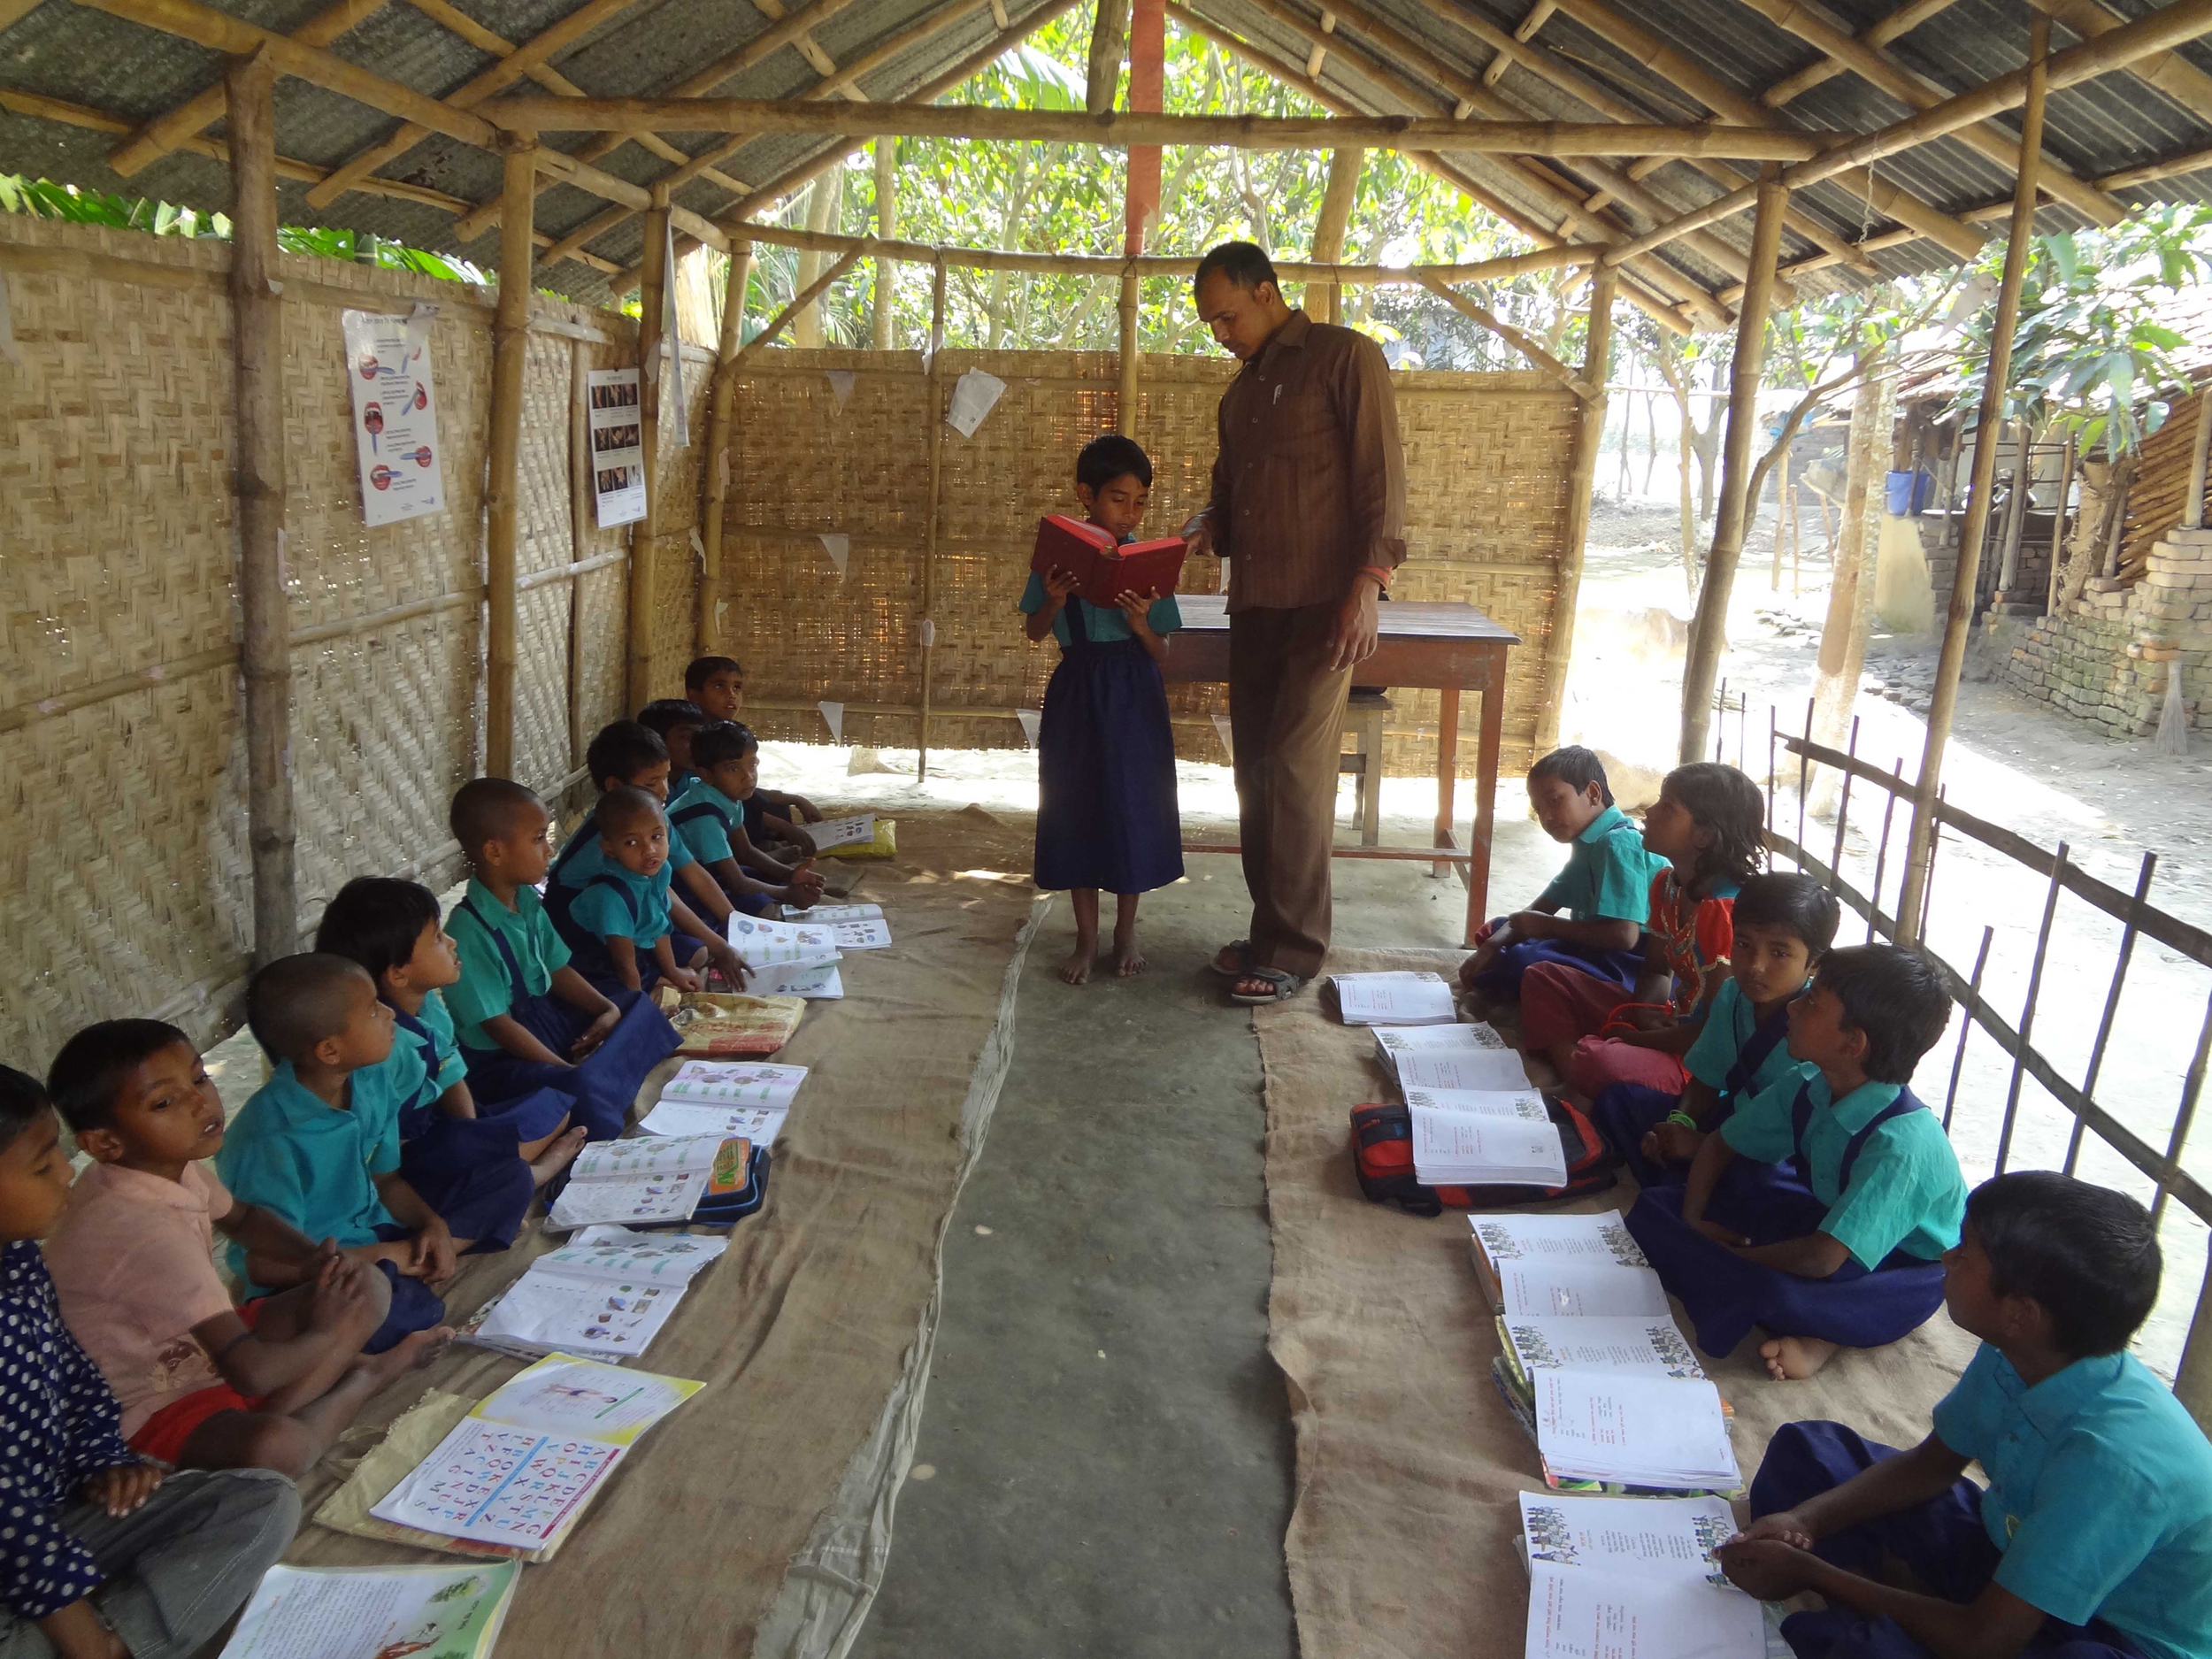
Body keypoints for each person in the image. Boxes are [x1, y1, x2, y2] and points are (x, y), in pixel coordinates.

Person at [1719, 1171, 2212, 1659]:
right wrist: (1802, 1520)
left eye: (1965, 1253)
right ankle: (1902, 1606)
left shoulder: (2113, 1464)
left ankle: (1891, 1609)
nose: (1945, 1257)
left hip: (2108, 1631)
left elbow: (1983, 1641)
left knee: (1872, 1651)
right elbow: (1932, 1465)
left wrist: (1813, 1574)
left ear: (2020, 1314)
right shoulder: (2016, 1352)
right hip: (2010, 1548)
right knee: (1806, 1453)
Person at [42, 1020, 448, 1479]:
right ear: (104, 1143)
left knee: (366, 1284)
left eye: (198, 1078)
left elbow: (244, 1220)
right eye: (164, 1102)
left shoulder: (151, 1171)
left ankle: (286, 1406)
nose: (200, 1102)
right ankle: (364, 1379)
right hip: (148, 1401)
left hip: (206, 1352)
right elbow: (250, 1371)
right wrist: (324, 1331)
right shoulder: (143, 1232)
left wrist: (315, 1260)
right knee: (278, 1450)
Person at [0, 1064, 300, 1659]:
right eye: (41, 1166)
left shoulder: (19, 1263)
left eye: (57, 1153)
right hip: (18, 1543)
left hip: (52, 1515)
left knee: (263, 1500)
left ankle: (121, 1641)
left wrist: (104, 1459)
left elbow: (77, 1377)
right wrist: (73, 1621)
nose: (66, 1171)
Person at [1184, 241, 1407, 1007]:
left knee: (1292, 768)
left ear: (1269, 292)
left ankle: (1296, 949)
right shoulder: (1240, 394)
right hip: (1257, 604)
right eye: (1209, 322)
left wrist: (1368, 586)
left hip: (1326, 605)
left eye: (1228, 315)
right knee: (1255, 772)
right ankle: (1267, 929)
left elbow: (1382, 481)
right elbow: (1228, 495)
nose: (1220, 333)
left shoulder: (1348, 359)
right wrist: (1208, 526)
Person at [1627, 944, 1966, 1379]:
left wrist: (1734, 1255)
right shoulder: (1807, 1082)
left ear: (1852, 1043)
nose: (1792, 1007)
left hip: (1902, 1265)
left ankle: (1827, 1337)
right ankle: (1755, 1290)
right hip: (1826, 1218)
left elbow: (1822, 1259)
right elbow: (1718, 1145)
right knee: (1659, 1207)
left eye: (1812, 1002)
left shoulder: (1902, 1146)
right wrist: (1694, 1220)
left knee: (1777, 1290)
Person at [215, 955, 474, 1353]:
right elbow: (263, 1264)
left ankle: (425, 1254)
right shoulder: (269, 1139)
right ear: (330, 1051)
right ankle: (418, 1263)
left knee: (504, 1179)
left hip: (374, 1231)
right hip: (313, 1272)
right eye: (373, 1010)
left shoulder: (370, 1077)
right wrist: (382, 1256)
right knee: (391, 1310)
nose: (390, 1012)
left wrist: (431, 1223)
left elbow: (385, 1179)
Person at [1021, 433, 1186, 986]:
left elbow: (1162, 652)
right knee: (1077, 807)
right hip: (1077, 695)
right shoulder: (1056, 561)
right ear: (1085, 495)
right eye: (1119, 498)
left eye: (1140, 501)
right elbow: (1033, 631)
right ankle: (1086, 937)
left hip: (1135, 695)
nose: (1130, 511)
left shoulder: (1148, 563)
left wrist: (1142, 624)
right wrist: (1054, 599)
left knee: (1132, 806)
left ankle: (1126, 932)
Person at [317, 878, 587, 1199]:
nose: (452, 942)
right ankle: (525, 1177)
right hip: (406, 1160)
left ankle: (499, 1179)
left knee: (556, 1107)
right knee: (473, 1171)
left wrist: (474, 1134)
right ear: (397, 974)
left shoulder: (428, 1004)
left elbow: (451, 1074)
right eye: (437, 939)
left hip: (448, 1129)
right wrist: (471, 1145)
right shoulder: (381, 1046)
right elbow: (378, 1154)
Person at [442, 778, 679, 1141]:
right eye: (538, 839)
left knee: (634, 1004)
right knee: (578, 1087)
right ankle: (599, 1081)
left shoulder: (526, 901)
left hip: (547, 1022)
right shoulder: (469, 931)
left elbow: (558, 968)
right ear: (494, 851)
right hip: (508, 1058)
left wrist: (606, 1011)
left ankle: (601, 1074)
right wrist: (565, 1069)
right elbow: (500, 1027)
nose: (550, 850)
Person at [1519, 762, 1765, 1098]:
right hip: (1672, 1021)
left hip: (1705, 1060)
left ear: (1704, 836)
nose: (1649, 813)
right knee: (1543, 977)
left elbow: (1715, 1034)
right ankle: (1582, 1082)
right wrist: (1642, 1016)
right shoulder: (1668, 886)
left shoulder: (1725, 913)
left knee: (1601, 1057)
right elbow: (1656, 972)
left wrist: (1635, 1038)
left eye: (1667, 807)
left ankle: (1584, 1079)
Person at [1590, 871, 1838, 1187]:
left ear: (1815, 963)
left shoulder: (1823, 1027)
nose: (1755, 965)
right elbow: (1706, 1078)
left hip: (1773, 1154)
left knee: (1752, 1186)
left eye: (1779, 952)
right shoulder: (1733, 994)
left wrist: (1704, 1145)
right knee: (1617, 1100)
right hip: (1729, 1118)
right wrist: (1679, 1122)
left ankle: (1683, 1187)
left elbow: (1794, 1139)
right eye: (1744, 944)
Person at [1455, 746, 1668, 1002]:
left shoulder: (1618, 843)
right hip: (1602, 950)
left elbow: (1624, 936)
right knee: (1497, 930)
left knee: (1529, 962)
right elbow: (1536, 911)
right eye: (1538, 809)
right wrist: (1490, 947)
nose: (1546, 817)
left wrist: (1548, 928)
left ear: (1592, 793)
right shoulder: (1588, 845)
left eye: (1555, 801)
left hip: (1636, 964)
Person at [548, 720, 764, 967]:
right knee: (698, 952)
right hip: (581, 923)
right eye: (651, 784)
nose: (664, 790)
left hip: (633, 906)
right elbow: (663, 895)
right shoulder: (612, 837)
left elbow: (694, 874)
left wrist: (736, 928)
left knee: (710, 937)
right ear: (615, 787)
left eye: (665, 777)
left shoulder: (653, 819)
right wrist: (720, 945)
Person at [667, 721, 824, 914]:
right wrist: (787, 893)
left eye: (752, 764)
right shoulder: (704, 817)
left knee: (765, 877)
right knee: (758, 904)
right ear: (706, 774)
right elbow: (738, 884)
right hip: (679, 885)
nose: (749, 777)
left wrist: (791, 874)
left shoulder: (726, 794)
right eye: (733, 769)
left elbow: (745, 852)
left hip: (710, 871)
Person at [555, 787, 696, 996]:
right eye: (631, 843)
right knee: (658, 999)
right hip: (595, 963)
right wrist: (641, 1004)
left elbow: (659, 926)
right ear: (610, 849)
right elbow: (624, 964)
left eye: (656, 836)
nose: (649, 850)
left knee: (686, 974)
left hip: (633, 950)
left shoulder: (659, 871)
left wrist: (673, 971)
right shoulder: (609, 896)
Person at [683, 656, 821, 831]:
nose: (731, 695)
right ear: (694, 695)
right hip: (705, 815)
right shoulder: (692, 737)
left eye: (737, 687)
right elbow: (723, 794)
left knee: (777, 808)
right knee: (760, 810)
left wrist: (796, 799)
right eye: (719, 686)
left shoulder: (724, 730)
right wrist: (786, 828)